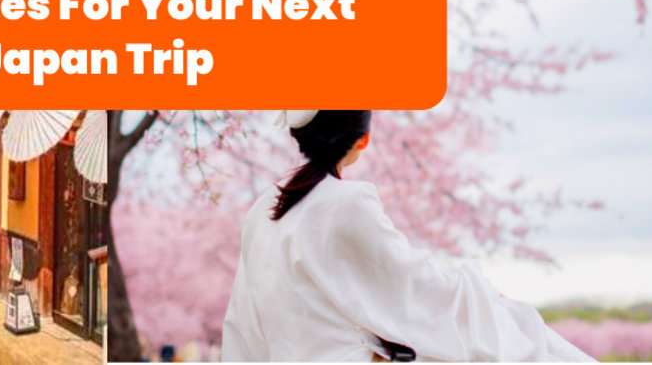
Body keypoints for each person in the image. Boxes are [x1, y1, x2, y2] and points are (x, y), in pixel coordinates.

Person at [221, 111, 592, 362]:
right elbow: (410, 281)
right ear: (362, 139)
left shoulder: (263, 208)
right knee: (521, 326)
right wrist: (479, 290)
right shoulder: (346, 201)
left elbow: (243, 318)